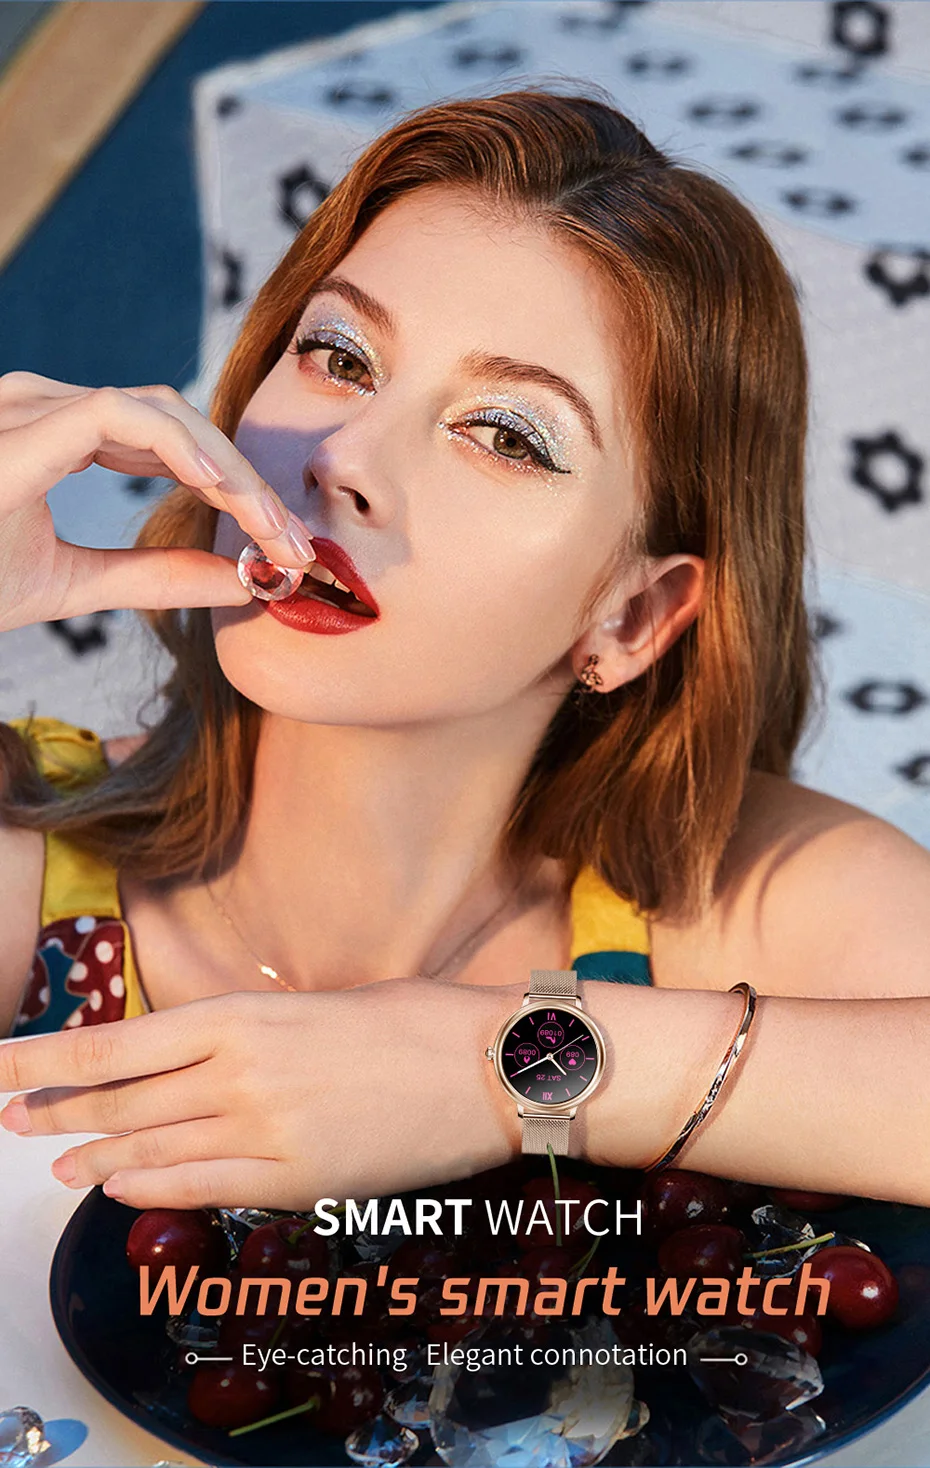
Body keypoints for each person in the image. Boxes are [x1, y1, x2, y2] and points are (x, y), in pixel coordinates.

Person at [0, 88, 928, 1214]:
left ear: (632, 616)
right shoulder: (31, 859)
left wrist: (500, 1066)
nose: (344, 457)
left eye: (505, 435)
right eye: (339, 356)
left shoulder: (721, 892)